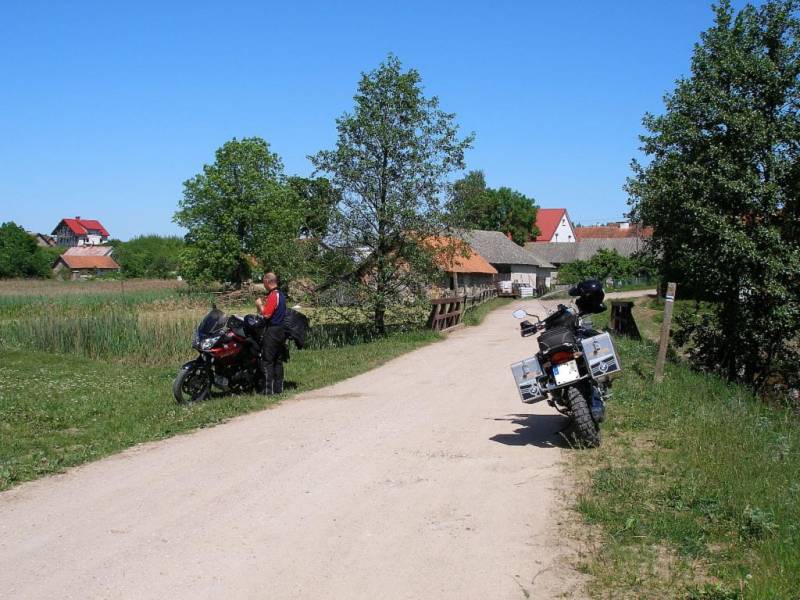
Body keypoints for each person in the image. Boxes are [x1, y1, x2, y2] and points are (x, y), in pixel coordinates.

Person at [255, 272, 286, 395]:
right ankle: (279, 389)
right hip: (281, 330)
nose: (263, 284)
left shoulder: (273, 295)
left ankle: (268, 390)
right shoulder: (281, 294)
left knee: (268, 360)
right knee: (278, 360)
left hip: (272, 331)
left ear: (267, 281)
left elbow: (267, 314)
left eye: (263, 282)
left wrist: (259, 305)